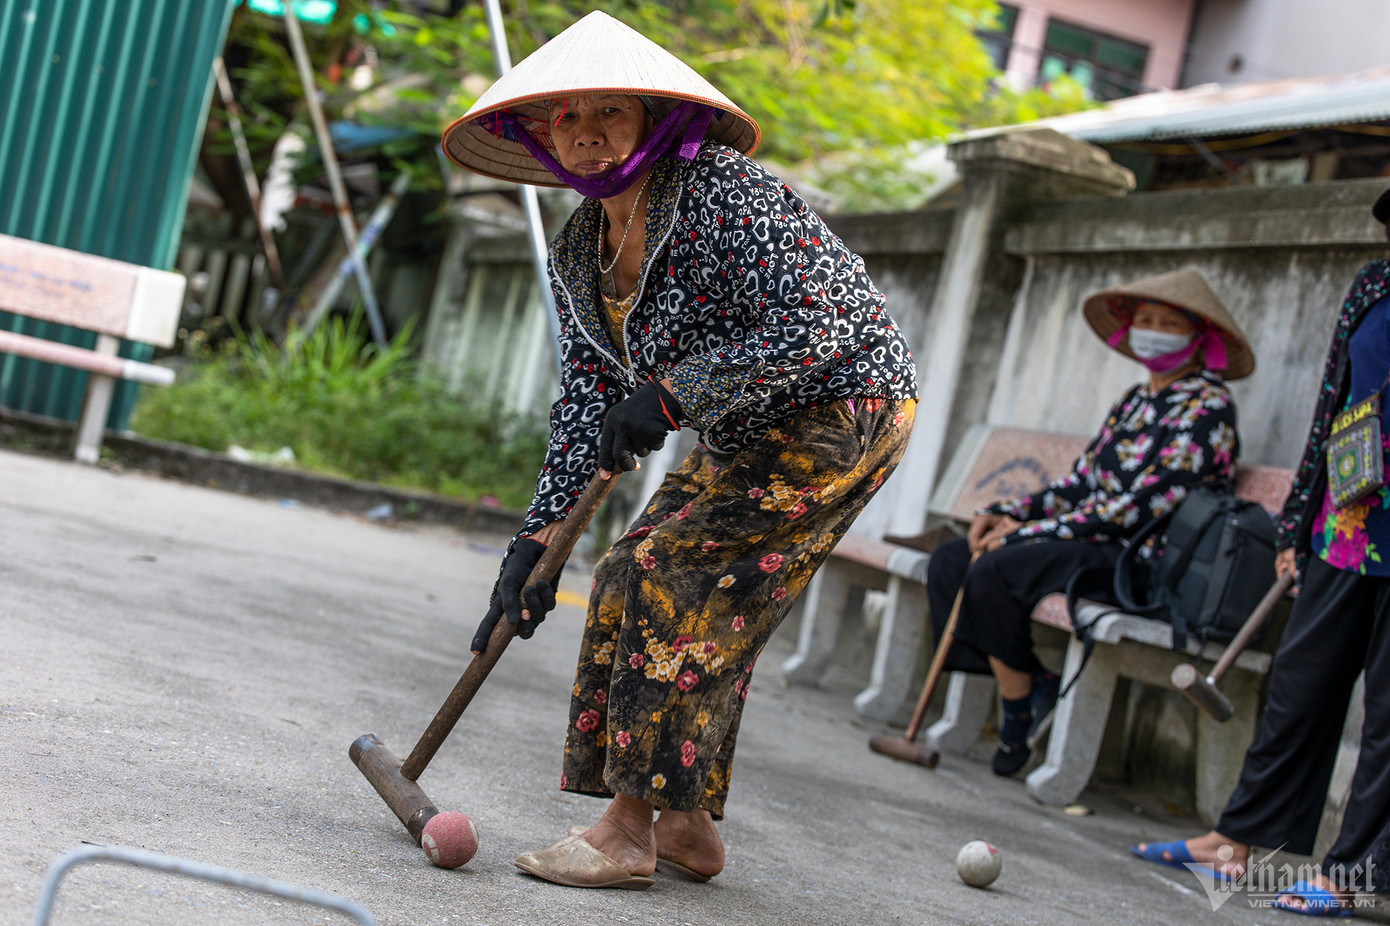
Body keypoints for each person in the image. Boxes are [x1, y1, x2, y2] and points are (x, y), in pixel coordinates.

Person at [440, 11, 917, 890]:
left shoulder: (722, 192)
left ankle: (627, 831)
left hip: (843, 408)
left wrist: (673, 393)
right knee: (625, 571)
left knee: (665, 577)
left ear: (653, 122)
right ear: (541, 136)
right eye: (566, 121)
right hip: (744, 426)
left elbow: (830, 322)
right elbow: (586, 397)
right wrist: (538, 543)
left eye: (609, 115)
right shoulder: (580, 246)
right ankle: (687, 823)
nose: (586, 139)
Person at [1132, 189, 1390, 917]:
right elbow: (1334, 406)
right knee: (1298, 687)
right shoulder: (1373, 286)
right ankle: (1238, 841)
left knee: (1388, 717)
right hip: (1347, 525)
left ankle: (1355, 873)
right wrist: (1297, 522)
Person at [926, 267, 1251, 777]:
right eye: (1146, 318)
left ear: (1198, 338)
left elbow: (1139, 509)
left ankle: (1015, 719)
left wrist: (1030, 533)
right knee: (950, 559)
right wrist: (1007, 514)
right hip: (1086, 540)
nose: (1154, 329)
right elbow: (1081, 484)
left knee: (994, 570)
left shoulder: (1208, 407)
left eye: (1170, 322)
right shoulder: (1134, 401)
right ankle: (1031, 686)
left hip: (1138, 560)